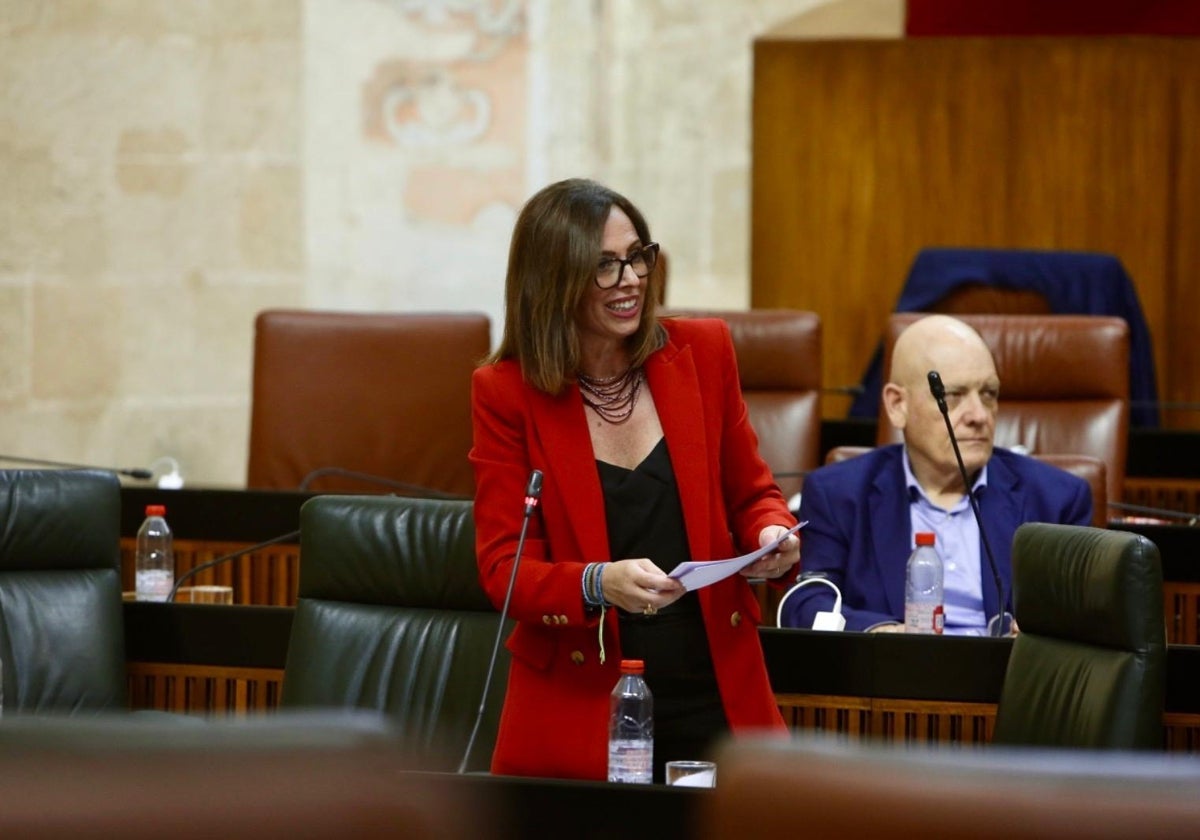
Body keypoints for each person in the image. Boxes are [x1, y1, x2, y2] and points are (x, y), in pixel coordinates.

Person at [470, 178, 799, 782]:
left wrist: (772, 535)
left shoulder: (702, 353)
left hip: (711, 685)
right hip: (583, 697)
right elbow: (503, 570)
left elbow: (753, 495)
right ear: (554, 280)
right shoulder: (507, 394)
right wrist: (599, 582)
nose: (630, 280)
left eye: (638, 257)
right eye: (603, 266)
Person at [779, 314, 1092, 634]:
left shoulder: (1057, 500)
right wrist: (877, 633)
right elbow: (806, 603)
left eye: (989, 394)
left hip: (1009, 680)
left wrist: (1042, 635)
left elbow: (1088, 617)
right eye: (953, 396)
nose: (979, 416)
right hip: (891, 678)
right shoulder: (839, 494)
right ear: (897, 404)